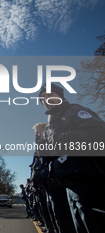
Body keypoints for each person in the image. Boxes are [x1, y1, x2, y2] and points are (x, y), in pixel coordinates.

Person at [39, 83, 105, 233]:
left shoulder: (75, 111)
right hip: (71, 185)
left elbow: (99, 135)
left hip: (90, 184)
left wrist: (59, 137)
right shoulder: (54, 122)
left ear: (60, 95)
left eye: (49, 94)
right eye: (42, 97)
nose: (45, 98)